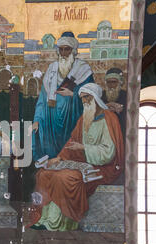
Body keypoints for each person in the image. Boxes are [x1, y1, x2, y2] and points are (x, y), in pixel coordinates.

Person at [26, 83, 124, 231]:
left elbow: (109, 153)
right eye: (82, 98)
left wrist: (84, 148)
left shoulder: (109, 119)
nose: (84, 101)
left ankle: (61, 223)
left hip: (103, 167)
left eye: (87, 97)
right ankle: (44, 218)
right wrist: (58, 159)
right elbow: (72, 143)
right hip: (81, 162)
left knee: (65, 177)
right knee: (44, 173)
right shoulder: (84, 119)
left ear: (96, 98)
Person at [32, 32, 94, 161]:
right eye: (61, 49)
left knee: (70, 155)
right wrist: (37, 119)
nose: (64, 53)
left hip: (73, 118)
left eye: (67, 49)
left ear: (73, 51)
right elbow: (43, 99)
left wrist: (73, 94)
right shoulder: (51, 70)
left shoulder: (83, 69)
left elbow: (92, 95)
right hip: (51, 121)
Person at [101, 67, 127, 136]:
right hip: (104, 129)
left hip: (120, 128)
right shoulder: (101, 95)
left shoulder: (125, 95)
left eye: (114, 82)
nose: (111, 85)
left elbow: (124, 111)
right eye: (108, 82)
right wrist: (111, 104)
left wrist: (107, 107)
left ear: (119, 82)